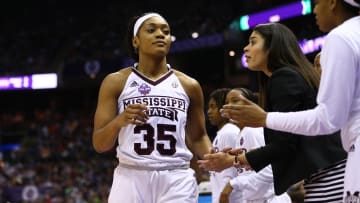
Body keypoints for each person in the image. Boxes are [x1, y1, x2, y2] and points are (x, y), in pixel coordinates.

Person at [219, 0, 360, 202]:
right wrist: (242, 155)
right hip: (334, 168)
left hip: (331, 174)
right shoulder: (290, 76)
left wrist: (235, 160)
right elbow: (291, 139)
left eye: (253, 42)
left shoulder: (284, 78)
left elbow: (287, 144)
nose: (246, 48)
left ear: (272, 47)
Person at [92, 12, 212, 203]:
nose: (160, 34)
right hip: (130, 176)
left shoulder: (190, 85)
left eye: (166, 32)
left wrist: (214, 156)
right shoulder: (115, 82)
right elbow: (100, 144)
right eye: (151, 30)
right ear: (135, 41)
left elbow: (198, 136)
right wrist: (119, 121)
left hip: (176, 177)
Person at [207, 87, 291, 203]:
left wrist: (232, 184)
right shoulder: (242, 133)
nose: (230, 106)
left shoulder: (253, 130)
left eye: (235, 101)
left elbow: (270, 172)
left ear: (250, 104)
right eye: (227, 103)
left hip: (271, 198)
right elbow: (249, 173)